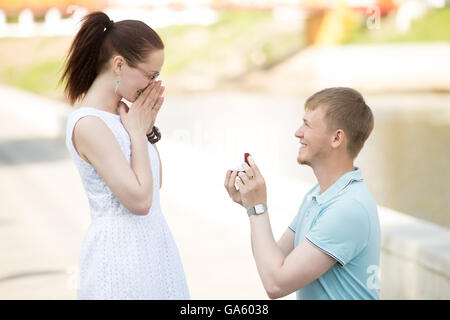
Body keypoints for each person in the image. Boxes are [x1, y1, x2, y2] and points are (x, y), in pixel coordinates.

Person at [61, 11, 189, 299]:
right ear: (119, 64)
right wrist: (136, 131)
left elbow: (153, 186)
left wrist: (145, 129)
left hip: (153, 249)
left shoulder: (125, 116)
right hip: (120, 260)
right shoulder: (89, 124)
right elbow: (140, 201)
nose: (154, 85)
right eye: (151, 75)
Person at [224, 87, 381, 300]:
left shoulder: (348, 208)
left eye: (307, 125)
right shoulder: (318, 194)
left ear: (336, 138)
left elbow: (276, 284)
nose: (297, 132)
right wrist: (250, 204)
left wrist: (257, 209)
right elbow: (275, 260)